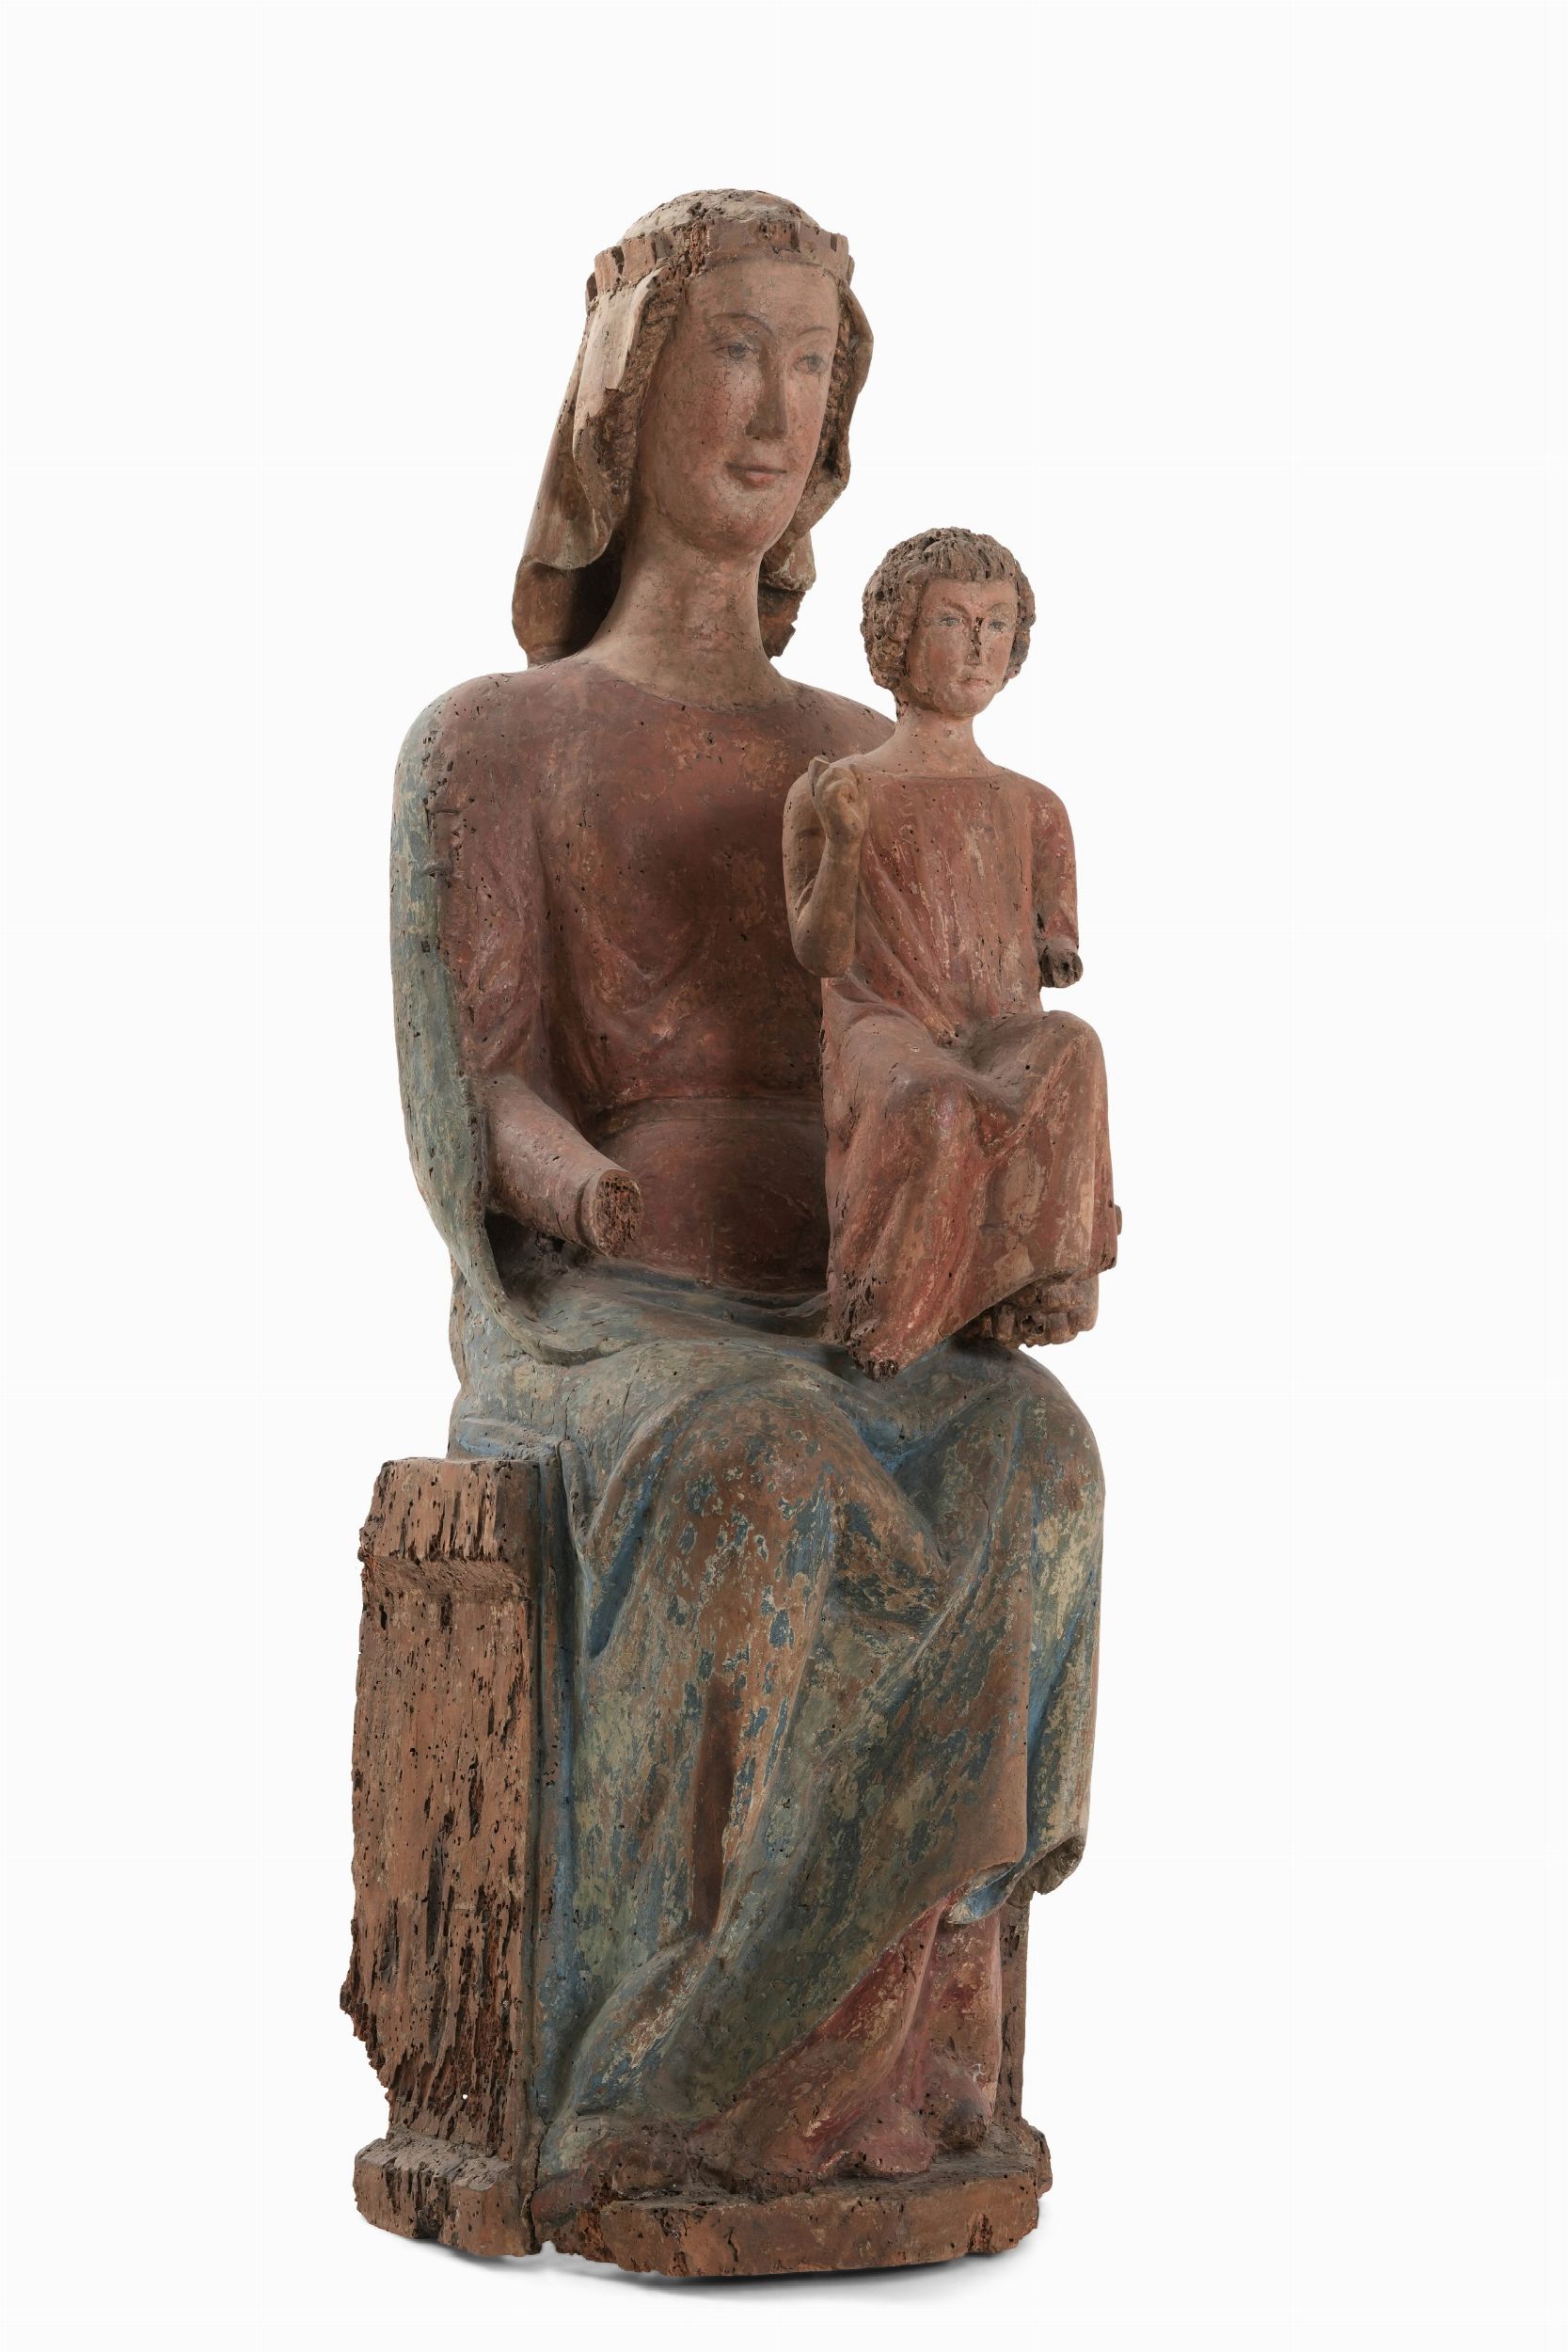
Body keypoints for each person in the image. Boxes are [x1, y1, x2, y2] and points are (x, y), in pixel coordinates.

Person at [391, 192, 1104, 2214]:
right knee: (764, 1465)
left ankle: (900, 2075)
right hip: (609, 1331)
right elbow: (482, 1079)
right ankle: (673, 2063)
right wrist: (579, 1181)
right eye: (734, 353)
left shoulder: (870, 757)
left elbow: (951, 1021)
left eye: (813, 366)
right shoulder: (496, 741)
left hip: (851, 1301)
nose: (779, 411)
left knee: (1032, 1452)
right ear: (624, 402)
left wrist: (1002, 1188)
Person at [784, 527, 1119, 1378]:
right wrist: (845, 843)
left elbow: (1051, 934)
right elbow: (820, 951)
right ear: (897, 637)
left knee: (1072, 1045)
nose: (977, 647)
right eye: (951, 622)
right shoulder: (838, 790)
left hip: (995, 1026)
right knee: (930, 1099)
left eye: (995, 625)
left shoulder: (1033, 804)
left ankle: (1023, 1292)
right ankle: (881, 1323)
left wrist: (1055, 952)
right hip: (882, 1026)